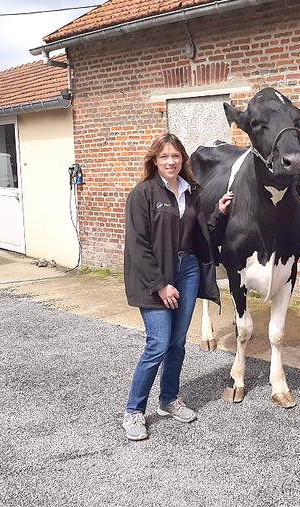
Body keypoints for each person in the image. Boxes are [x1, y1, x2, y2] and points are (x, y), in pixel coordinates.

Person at [122, 133, 233, 441]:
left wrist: (217, 214)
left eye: (175, 156)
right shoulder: (143, 193)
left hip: (188, 270)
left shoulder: (190, 192)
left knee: (177, 343)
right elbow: (137, 245)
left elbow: (198, 234)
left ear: (183, 159)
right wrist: (160, 285)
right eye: (164, 157)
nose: (170, 162)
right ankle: (133, 411)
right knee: (157, 343)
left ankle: (169, 399)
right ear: (154, 161)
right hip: (154, 276)